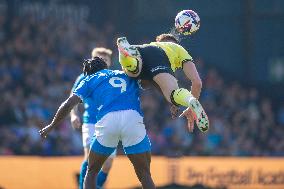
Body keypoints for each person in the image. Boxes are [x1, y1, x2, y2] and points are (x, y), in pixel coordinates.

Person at [39, 57, 155, 189]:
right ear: (105, 67)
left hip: (108, 119)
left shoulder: (89, 79)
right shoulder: (124, 73)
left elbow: (68, 104)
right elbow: (147, 82)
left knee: (92, 171)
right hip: (133, 118)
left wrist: (52, 125)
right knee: (144, 174)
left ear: (87, 73)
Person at [117, 33, 209, 132]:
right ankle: (190, 99)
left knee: (133, 72)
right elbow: (197, 82)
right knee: (173, 93)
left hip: (139, 51)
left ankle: (129, 59)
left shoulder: (151, 45)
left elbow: (156, 84)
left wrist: (174, 103)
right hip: (160, 60)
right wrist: (189, 105)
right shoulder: (178, 49)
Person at [70, 48, 114, 189]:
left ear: (109, 62)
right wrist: (74, 115)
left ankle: (97, 186)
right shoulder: (84, 77)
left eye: (105, 59)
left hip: (109, 124)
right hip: (90, 122)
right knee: (90, 159)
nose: (101, 61)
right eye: (98, 59)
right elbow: (72, 99)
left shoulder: (114, 77)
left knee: (107, 164)